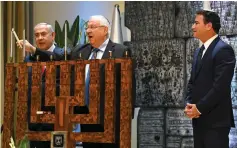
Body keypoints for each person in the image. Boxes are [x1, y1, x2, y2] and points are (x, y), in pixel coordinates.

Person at [70, 15, 135, 148]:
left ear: (105, 30)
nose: (88, 31)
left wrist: (127, 115)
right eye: (87, 27)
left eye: (92, 27)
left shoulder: (120, 51)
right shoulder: (80, 51)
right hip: (85, 116)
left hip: (110, 118)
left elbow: (128, 87)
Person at [184, 10, 236, 148]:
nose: (192, 27)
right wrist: (189, 103)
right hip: (199, 121)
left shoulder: (224, 50)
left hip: (216, 123)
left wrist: (199, 108)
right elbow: (192, 82)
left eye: (196, 23)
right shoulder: (198, 51)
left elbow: (220, 87)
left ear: (209, 26)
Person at [17, 23, 64, 148]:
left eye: (43, 34)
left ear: (53, 35)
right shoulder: (29, 59)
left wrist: (33, 49)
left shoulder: (63, 54)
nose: (40, 38)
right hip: (34, 117)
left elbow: (53, 59)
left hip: (57, 116)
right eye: (37, 35)